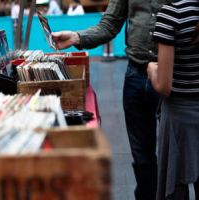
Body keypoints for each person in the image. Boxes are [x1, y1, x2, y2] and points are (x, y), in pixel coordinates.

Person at [51, 0, 176, 199]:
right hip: (136, 74)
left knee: (174, 158)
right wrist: (76, 37)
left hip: (173, 76)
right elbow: (109, 25)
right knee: (142, 158)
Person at [147, 0, 199, 199]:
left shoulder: (172, 13)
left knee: (175, 188)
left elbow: (164, 86)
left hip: (179, 119)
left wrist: (152, 70)